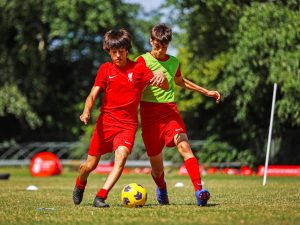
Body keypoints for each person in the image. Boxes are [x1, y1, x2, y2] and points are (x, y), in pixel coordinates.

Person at [72, 28, 168, 208]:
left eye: (121, 52)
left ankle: (100, 196)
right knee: (89, 166)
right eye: (114, 52)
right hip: (105, 123)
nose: (118, 56)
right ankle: (80, 182)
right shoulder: (105, 69)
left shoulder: (139, 69)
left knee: (121, 157)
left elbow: (163, 86)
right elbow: (92, 95)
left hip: (127, 125)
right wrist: (86, 111)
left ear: (127, 51)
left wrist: (161, 77)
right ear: (108, 51)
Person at [136, 24, 221, 206]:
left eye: (164, 47)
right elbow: (133, 88)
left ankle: (199, 191)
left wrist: (206, 91)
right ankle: (162, 188)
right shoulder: (141, 61)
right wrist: (150, 77)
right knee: (157, 170)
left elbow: (180, 81)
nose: (160, 50)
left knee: (184, 147)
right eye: (157, 46)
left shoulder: (174, 62)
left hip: (169, 111)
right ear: (151, 41)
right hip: (149, 115)